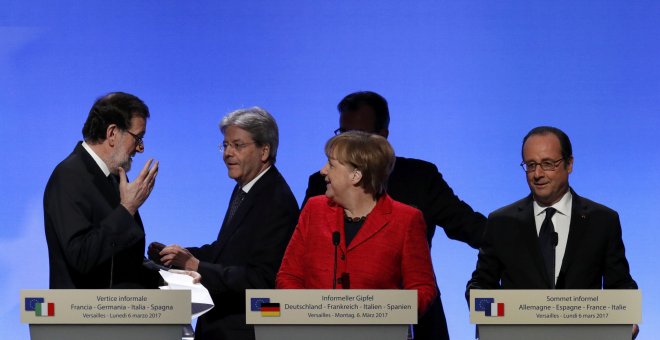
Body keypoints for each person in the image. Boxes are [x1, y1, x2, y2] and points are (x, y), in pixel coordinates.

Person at [303, 91, 486, 339]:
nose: (349, 145)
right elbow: (298, 258)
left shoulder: (420, 178)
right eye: (343, 134)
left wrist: (523, 235)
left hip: (413, 324)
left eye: (360, 137)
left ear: (383, 138)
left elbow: (471, 227)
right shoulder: (320, 185)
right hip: (335, 325)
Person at [466, 126, 638, 337]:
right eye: (530, 165)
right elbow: (480, 286)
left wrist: (626, 320)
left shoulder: (602, 220)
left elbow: (620, 284)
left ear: (569, 164)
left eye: (547, 164)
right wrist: (496, 322)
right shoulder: (501, 222)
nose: (537, 174)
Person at [149, 107, 299, 340]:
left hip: (243, 331)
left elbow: (261, 280)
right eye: (225, 145)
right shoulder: (246, 188)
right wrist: (179, 256)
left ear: (264, 151)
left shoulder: (276, 201)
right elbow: (226, 250)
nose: (227, 153)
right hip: (221, 327)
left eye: (237, 145)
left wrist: (195, 265)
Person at [277, 131, 437, 316]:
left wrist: (380, 311)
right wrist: (311, 312)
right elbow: (289, 276)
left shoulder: (406, 220)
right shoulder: (314, 209)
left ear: (355, 176)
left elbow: (422, 289)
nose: (323, 171)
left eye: (331, 165)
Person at [43, 92, 161, 289]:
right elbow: (82, 256)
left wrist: (171, 274)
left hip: (120, 313)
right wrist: (127, 209)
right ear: (112, 133)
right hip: (85, 315)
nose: (140, 148)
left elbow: (119, 258)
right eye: (138, 138)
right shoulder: (68, 176)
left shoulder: (113, 176)